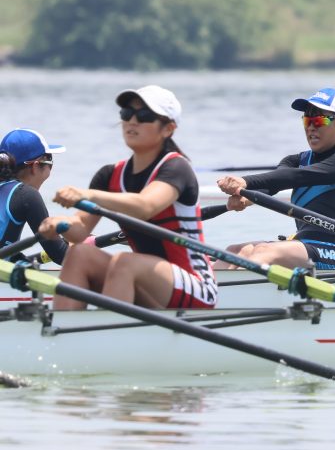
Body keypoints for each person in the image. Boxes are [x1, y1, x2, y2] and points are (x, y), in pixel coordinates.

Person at [38, 85, 218, 310]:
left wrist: (88, 194)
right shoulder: (109, 175)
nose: (132, 121)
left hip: (195, 285)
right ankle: (64, 328)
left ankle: (108, 328)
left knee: (124, 262)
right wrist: (59, 224)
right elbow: (80, 230)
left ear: (168, 128)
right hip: (146, 278)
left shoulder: (176, 167)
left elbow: (145, 206)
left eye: (144, 116)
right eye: (127, 114)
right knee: (79, 253)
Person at [216, 87, 335, 269]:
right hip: (303, 244)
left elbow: (296, 176)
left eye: (319, 120)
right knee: (234, 252)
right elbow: (277, 181)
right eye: (307, 120)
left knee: (265, 251)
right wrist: (246, 197)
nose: (311, 127)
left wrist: (245, 181)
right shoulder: (295, 161)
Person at [0, 129, 68, 264]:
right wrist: (81, 243)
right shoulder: (26, 195)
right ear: (35, 166)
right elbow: (61, 255)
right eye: (50, 161)